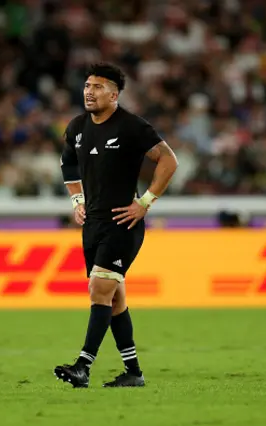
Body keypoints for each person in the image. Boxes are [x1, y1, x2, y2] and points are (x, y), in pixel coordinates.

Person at [55, 63, 178, 388]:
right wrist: (76, 201)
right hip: (92, 223)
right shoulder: (77, 127)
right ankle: (133, 372)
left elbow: (169, 160)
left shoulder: (132, 127)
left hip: (123, 222)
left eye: (97, 87)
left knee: (99, 289)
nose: (89, 92)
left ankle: (83, 365)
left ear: (114, 94)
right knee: (115, 298)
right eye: (86, 86)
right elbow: (67, 162)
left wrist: (145, 201)